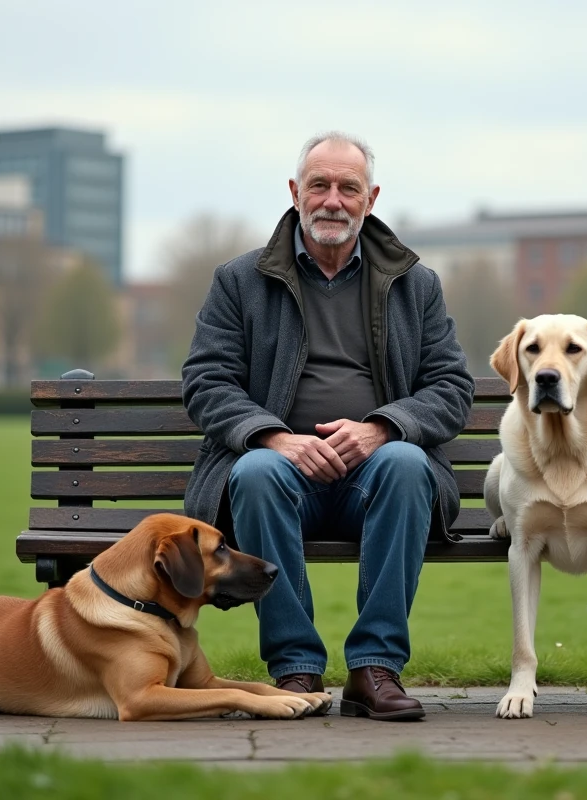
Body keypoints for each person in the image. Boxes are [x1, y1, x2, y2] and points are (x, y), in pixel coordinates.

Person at [182, 132, 474, 721]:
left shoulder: (416, 284)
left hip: (379, 479)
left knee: (407, 462)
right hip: (283, 478)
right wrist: (274, 437)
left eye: (349, 188)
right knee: (258, 471)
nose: (332, 200)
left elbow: (451, 388)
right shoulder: (239, 281)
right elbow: (206, 382)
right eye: (319, 185)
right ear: (295, 192)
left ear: (371, 199)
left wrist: (383, 429)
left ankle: (374, 669)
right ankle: (295, 668)